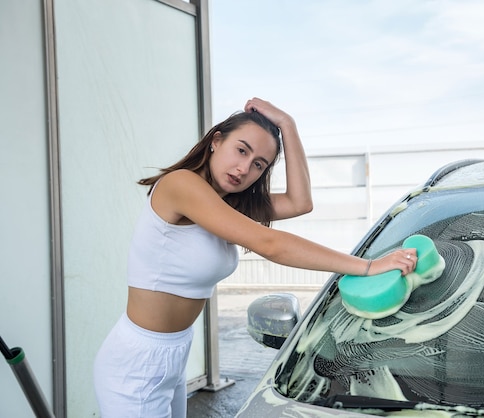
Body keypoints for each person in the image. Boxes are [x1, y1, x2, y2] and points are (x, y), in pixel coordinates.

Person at [93, 97, 417, 417]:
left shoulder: (227, 205)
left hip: (175, 354)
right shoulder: (180, 185)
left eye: (259, 164)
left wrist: (288, 125)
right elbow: (270, 243)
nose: (244, 168)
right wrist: (369, 266)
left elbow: (300, 202)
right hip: (137, 362)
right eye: (242, 150)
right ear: (216, 141)